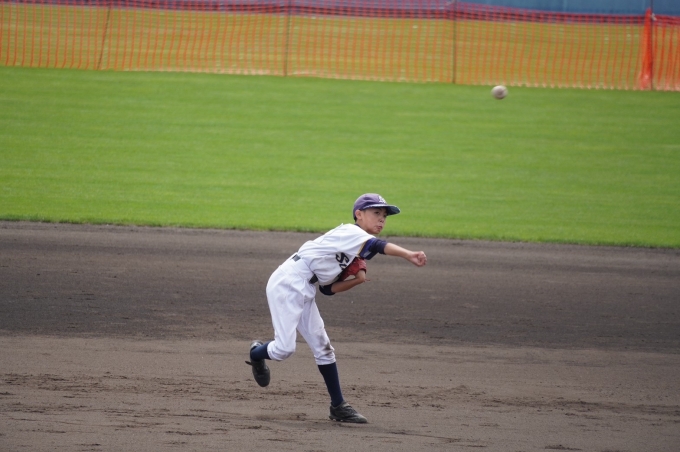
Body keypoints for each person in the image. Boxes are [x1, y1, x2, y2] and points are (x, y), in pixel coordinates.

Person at [245, 193, 427, 423]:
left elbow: (327, 290)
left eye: (384, 216)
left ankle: (338, 406)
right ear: (358, 214)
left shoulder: (351, 250)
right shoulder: (351, 232)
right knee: (284, 349)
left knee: (324, 349)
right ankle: (256, 353)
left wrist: (357, 281)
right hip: (288, 282)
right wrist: (409, 254)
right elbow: (378, 245)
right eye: (376, 213)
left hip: (305, 287)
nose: (382, 219)